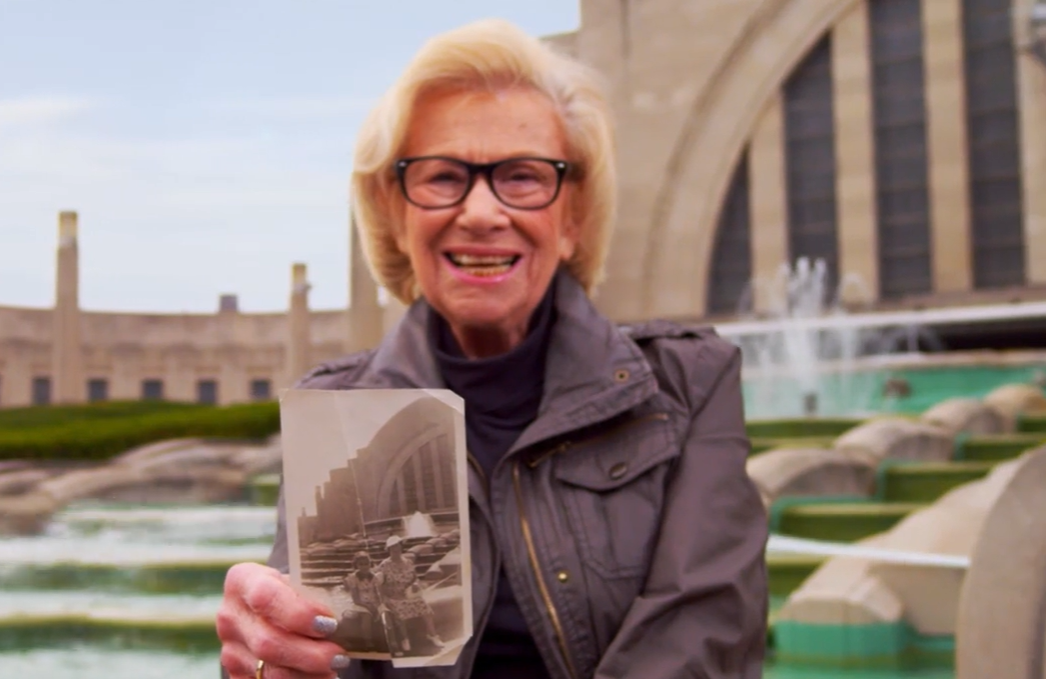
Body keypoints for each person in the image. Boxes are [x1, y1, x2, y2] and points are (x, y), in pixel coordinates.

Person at [217, 17, 768, 679]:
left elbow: (703, 644)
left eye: (524, 176)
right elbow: (325, 661)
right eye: (444, 177)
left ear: (572, 219)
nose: (480, 212)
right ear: (396, 216)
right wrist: (267, 656)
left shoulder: (688, 384)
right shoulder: (338, 411)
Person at [373, 536, 444, 656]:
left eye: (397, 547)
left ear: (401, 547)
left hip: (409, 594)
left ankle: (432, 635)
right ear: (389, 550)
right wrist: (384, 597)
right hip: (394, 596)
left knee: (424, 608)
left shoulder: (408, 562)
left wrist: (415, 584)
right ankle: (405, 639)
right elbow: (379, 584)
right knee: (399, 613)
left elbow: (414, 578)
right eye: (392, 548)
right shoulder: (384, 565)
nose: (395, 550)